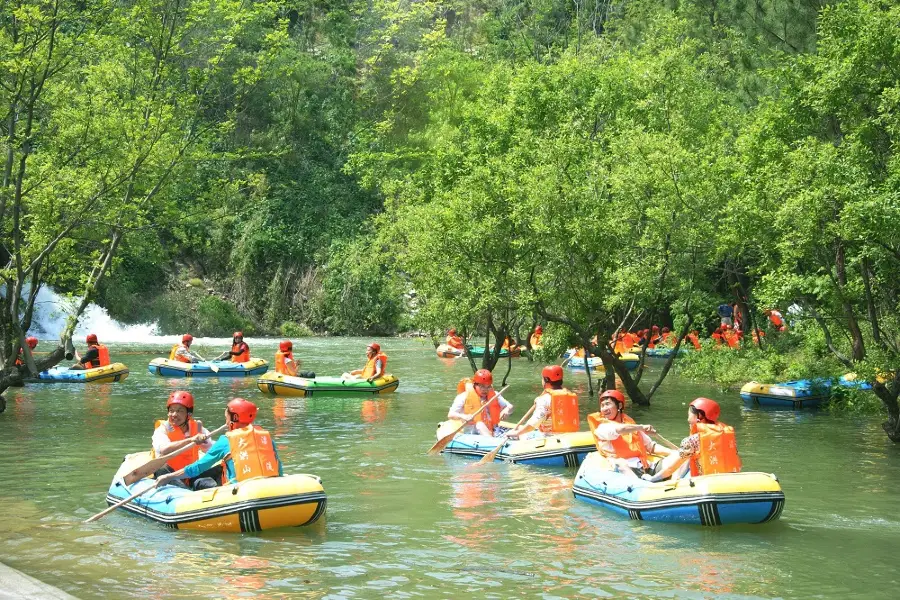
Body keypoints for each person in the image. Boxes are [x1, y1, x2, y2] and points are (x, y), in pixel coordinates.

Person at [156, 398, 283, 489]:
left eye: (226, 414)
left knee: (199, 480)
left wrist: (169, 477)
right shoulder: (265, 437)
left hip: (240, 491)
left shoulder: (226, 440)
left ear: (234, 418)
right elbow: (279, 467)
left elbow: (198, 467)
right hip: (270, 486)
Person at [641, 397, 742, 482]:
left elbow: (670, 468)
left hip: (708, 484)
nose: (687, 419)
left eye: (689, 415)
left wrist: (652, 479)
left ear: (699, 416)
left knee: (684, 460)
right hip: (730, 481)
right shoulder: (727, 434)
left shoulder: (691, 441)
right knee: (688, 458)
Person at [587, 389, 671, 478]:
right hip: (623, 470)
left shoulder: (630, 424)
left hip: (643, 467)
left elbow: (650, 446)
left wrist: (675, 452)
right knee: (621, 463)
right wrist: (641, 427)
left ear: (619, 405)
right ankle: (645, 485)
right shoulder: (602, 428)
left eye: (607, 404)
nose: (604, 409)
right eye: (602, 405)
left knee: (677, 457)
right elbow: (619, 429)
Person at [150, 391, 220, 490]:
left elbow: (210, 448)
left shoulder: (197, 427)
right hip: (168, 474)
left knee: (219, 469)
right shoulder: (162, 429)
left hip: (190, 473)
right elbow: (164, 449)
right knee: (162, 469)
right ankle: (185, 493)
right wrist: (191, 440)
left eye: (179, 411)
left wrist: (228, 451)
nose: (174, 414)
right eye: (171, 410)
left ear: (189, 414)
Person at [506, 365, 579, 440]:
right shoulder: (571, 396)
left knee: (520, 435)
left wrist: (517, 433)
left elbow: (534, 423)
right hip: (570, 437)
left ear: (546, 380)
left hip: (551, 438)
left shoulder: (544, 399)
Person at [447, 369, 513, 437]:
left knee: (520, 431)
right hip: (473, 431)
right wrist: (463, 416)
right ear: (475, 385)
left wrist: (507, 410)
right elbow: (450, 414)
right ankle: (492, 442)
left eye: (488, 387)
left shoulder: (494, 395)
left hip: (494, 429)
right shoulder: (463, 397)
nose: (485, 390)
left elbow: (510, 406)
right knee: (480, 424)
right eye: (482, 386)